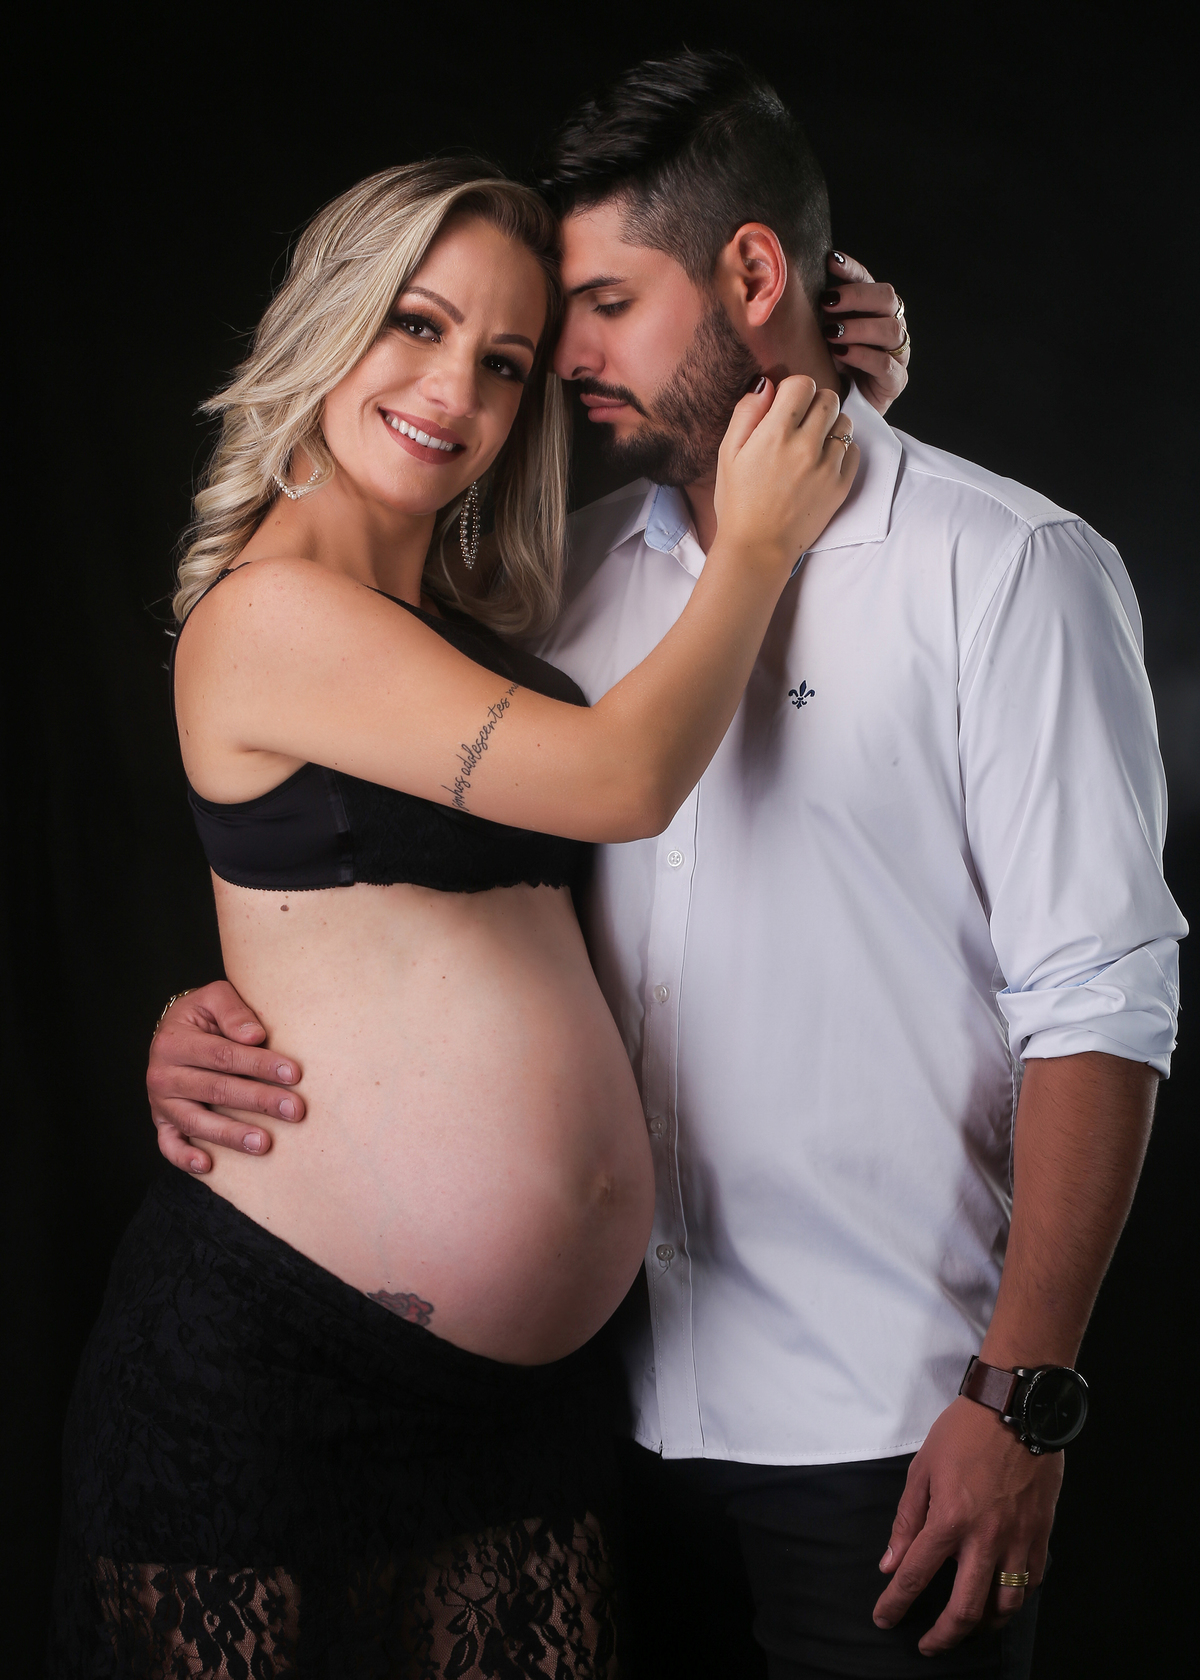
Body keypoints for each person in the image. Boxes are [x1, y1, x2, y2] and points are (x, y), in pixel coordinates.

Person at [144, 50, 1186, 1680]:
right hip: (604, 1425)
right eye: (494, 334)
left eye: (594, 312)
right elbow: (417, 868)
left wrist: (1023, 1396)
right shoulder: (565, 594)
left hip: (886, 1428)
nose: (552, 367)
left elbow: (1103, 1000)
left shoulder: (1004, 570)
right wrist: (208, 1007)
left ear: (754, 275)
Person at [51, 154, 863, 1678]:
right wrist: (759, 543)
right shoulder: (269, 615)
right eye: (416, 325)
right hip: (273, 1372)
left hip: (515, 1412)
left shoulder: (482, 630)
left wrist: (821, 361)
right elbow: (624, 779)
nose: (455, 390)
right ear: (329, 319)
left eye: (504, 360)